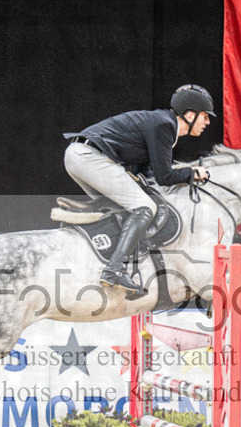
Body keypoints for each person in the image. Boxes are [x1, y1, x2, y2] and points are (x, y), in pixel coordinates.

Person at [63, 84, 215, 296]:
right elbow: (165, 177)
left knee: (126, 208)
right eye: (205, 116)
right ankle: (114, 270)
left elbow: (146, 173)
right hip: (90, 157)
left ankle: (110, 263)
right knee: (144, 207)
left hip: (78, 155)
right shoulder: (165, 126)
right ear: (190, 115)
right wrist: (192, 173)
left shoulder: (160, 122)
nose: (208, 122)